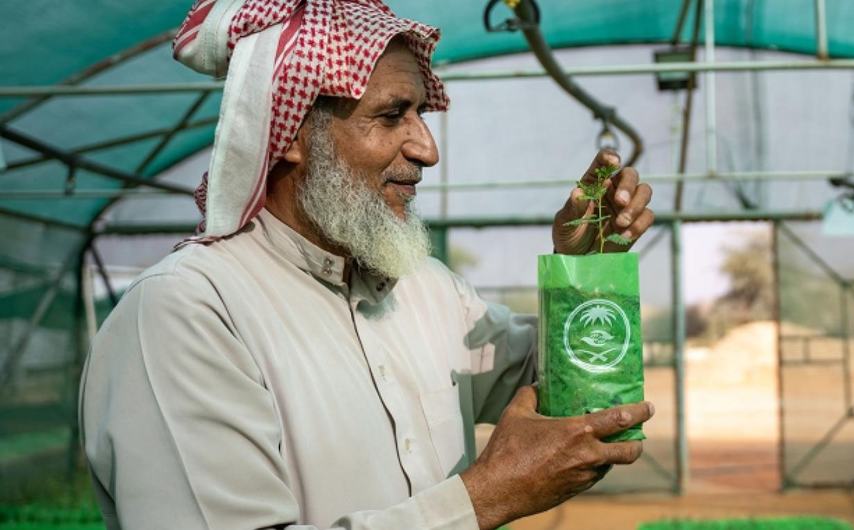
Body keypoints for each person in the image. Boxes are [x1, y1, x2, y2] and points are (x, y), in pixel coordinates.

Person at [78, 1, 656, 528]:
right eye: (391, 116)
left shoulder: (426, 288)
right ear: (291, 133)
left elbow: (549, 381)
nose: (427, 148)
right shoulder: (186, 314)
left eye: (421, 114)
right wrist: (483, 499)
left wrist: (583, 275)